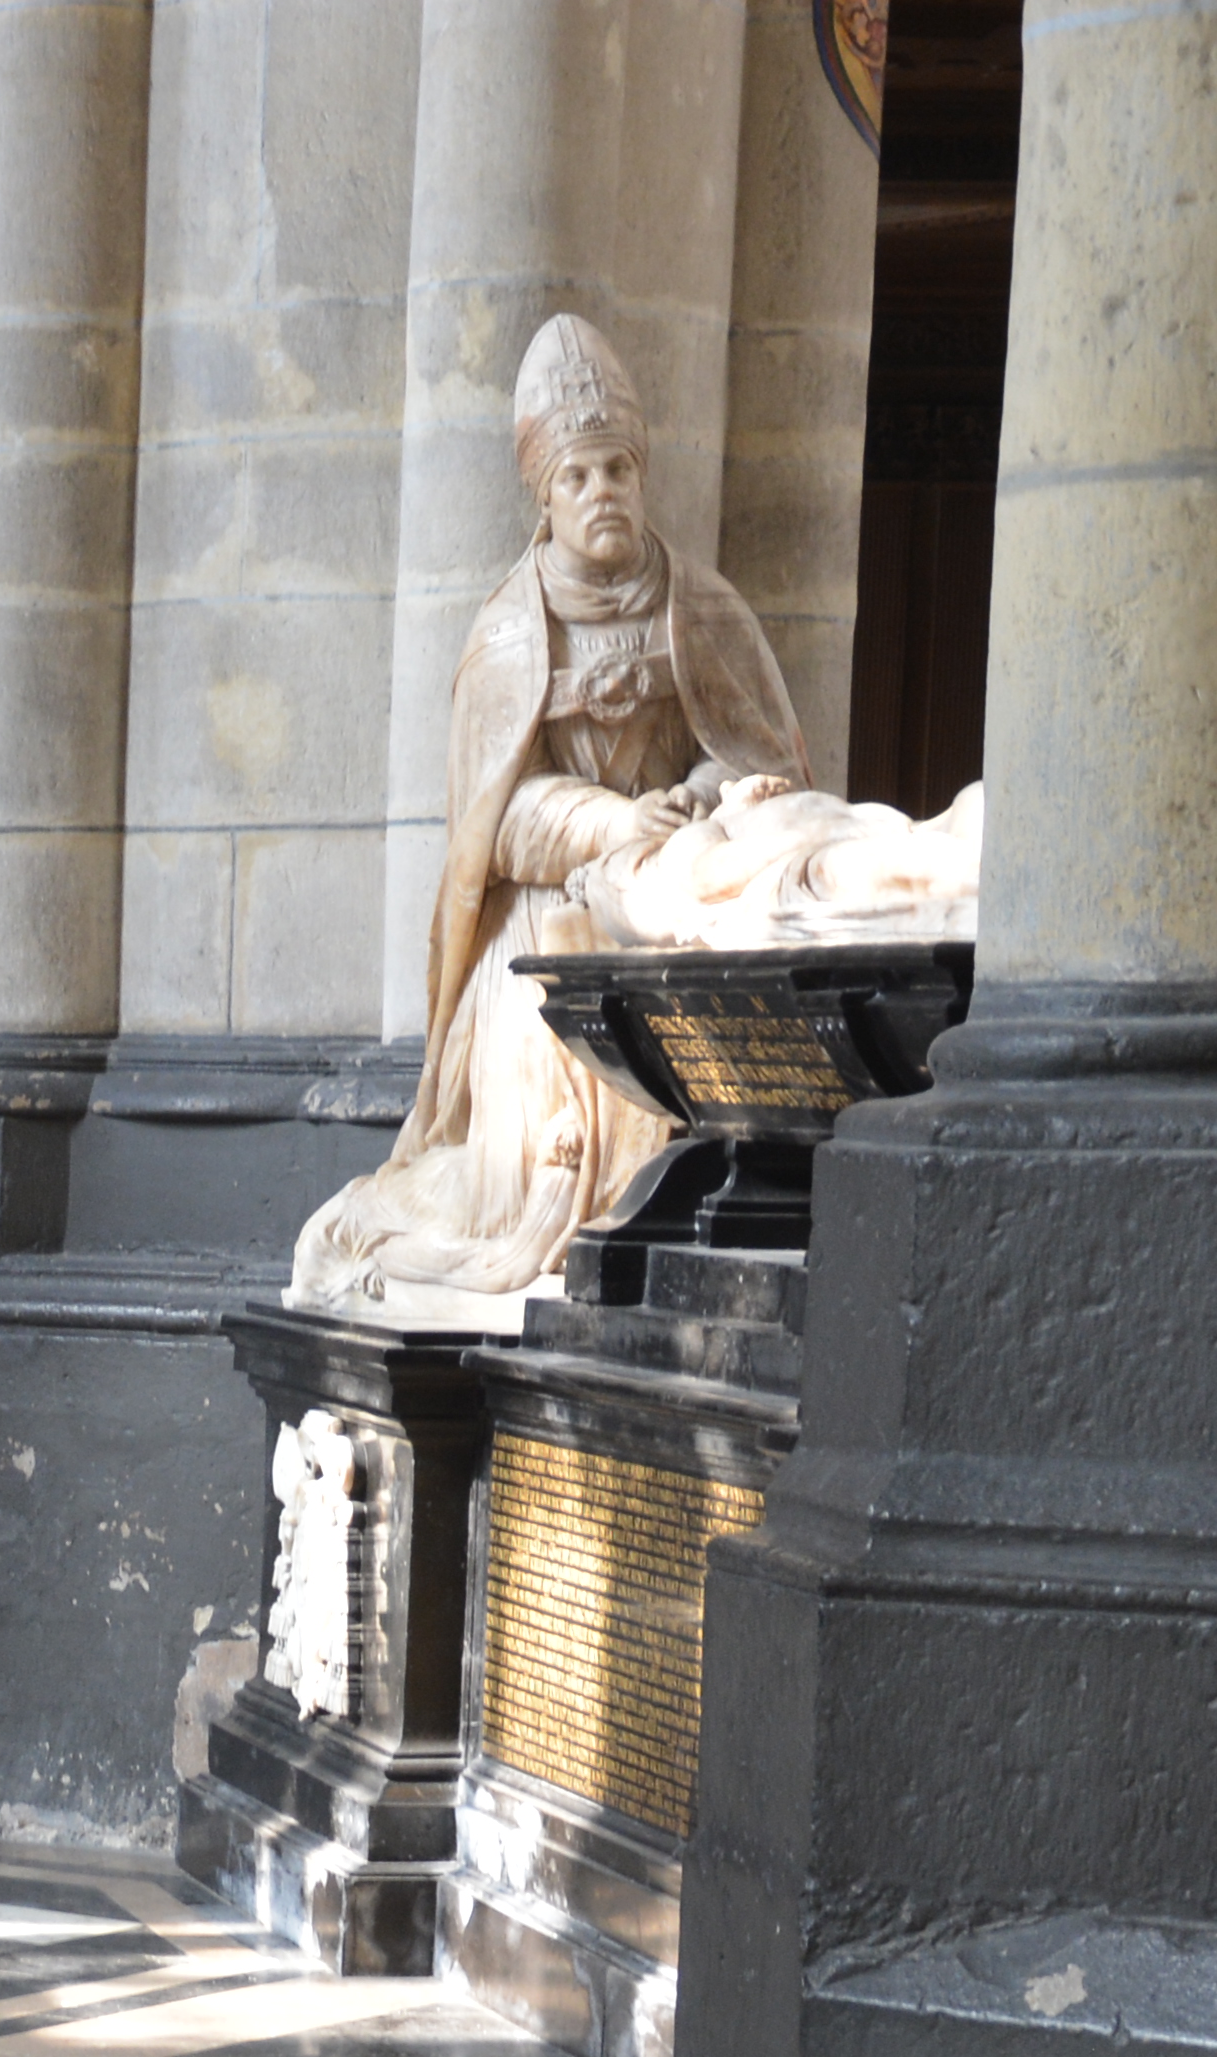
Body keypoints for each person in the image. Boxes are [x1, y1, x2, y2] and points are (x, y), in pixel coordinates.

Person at [289, 312, 813, 1324]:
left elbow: (760, 757)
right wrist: (613, 824)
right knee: (526, 1184)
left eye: (618, 468)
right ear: (546, 493)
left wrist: (700, 801)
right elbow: (499, 823)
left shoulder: (699, 608)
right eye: (578, 477)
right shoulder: (508, 633)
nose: (602, 492)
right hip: (544, 942)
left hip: (676, 913)